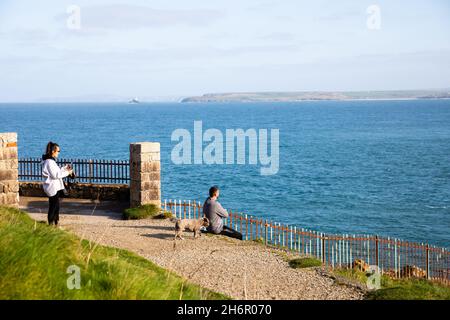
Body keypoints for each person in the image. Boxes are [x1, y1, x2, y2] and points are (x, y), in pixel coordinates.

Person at [41, 142, 73, 226]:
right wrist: (68, 173)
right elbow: (56, 175)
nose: (58, 152)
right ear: (52, 151)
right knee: (53, 206)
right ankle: (51, 224)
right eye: (58, 151)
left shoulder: (50, 161)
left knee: (56, 206)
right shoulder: (49, 162)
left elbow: (57, 171)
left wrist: (65, 168)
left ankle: (55, 223)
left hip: (54, 187)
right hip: (52, 187)